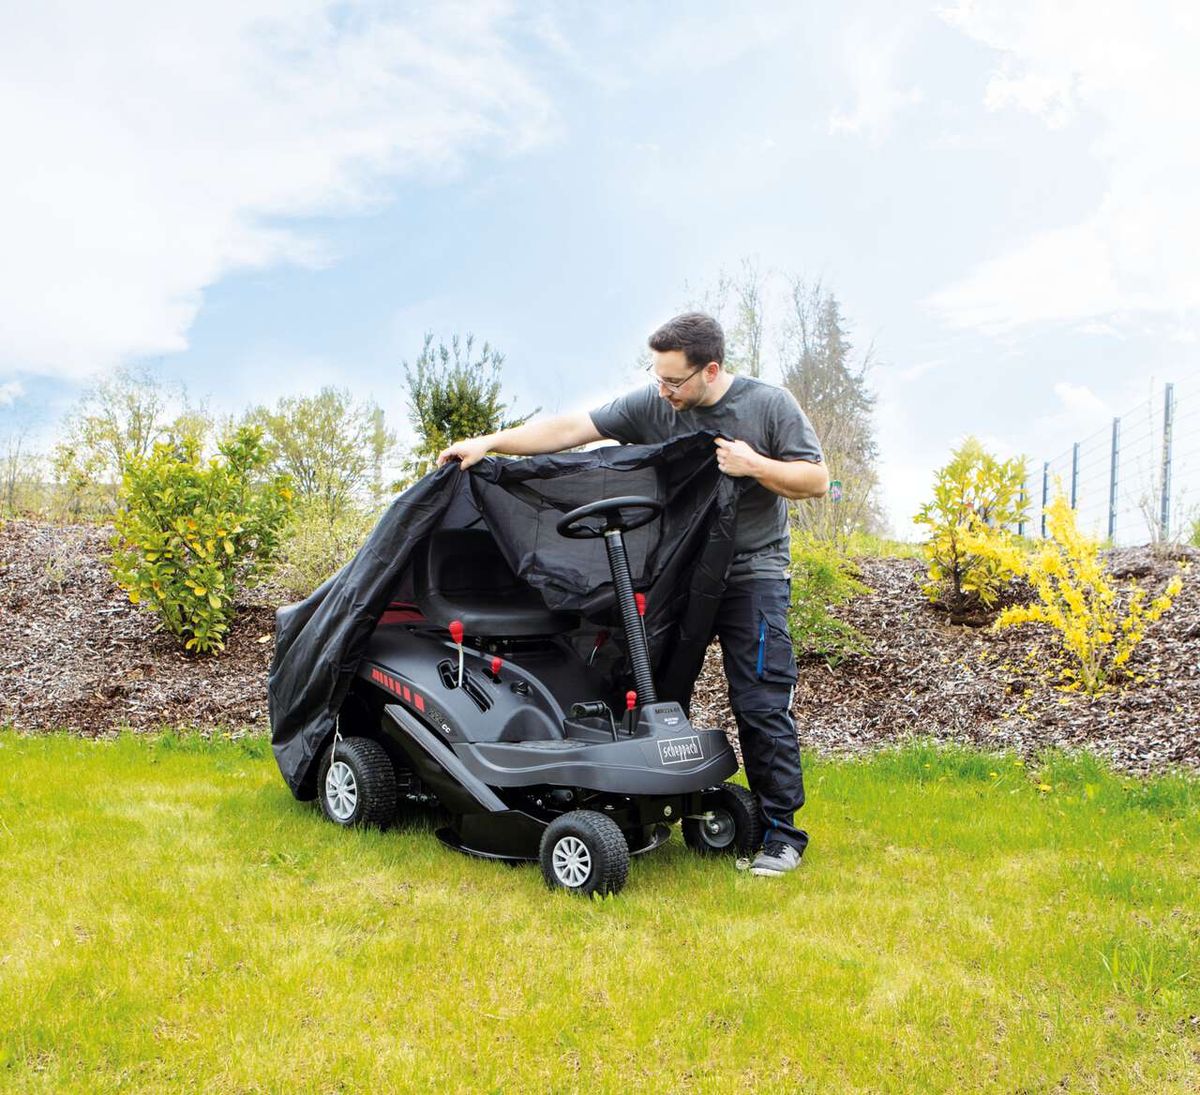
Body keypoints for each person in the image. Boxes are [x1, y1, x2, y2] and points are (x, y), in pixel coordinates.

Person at [437, 312, 828, 876]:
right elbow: (574, 430)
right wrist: (489, 443)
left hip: (752, 577)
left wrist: (754, 465)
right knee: (652, 690)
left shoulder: (767, 406)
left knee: (760, 703)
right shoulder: (654, 405)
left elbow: (815, 479)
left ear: (710, 369)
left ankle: (781, 836)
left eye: (674, 381)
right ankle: (649, 805)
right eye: (658, 378)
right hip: (679, 576)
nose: (663, 391)